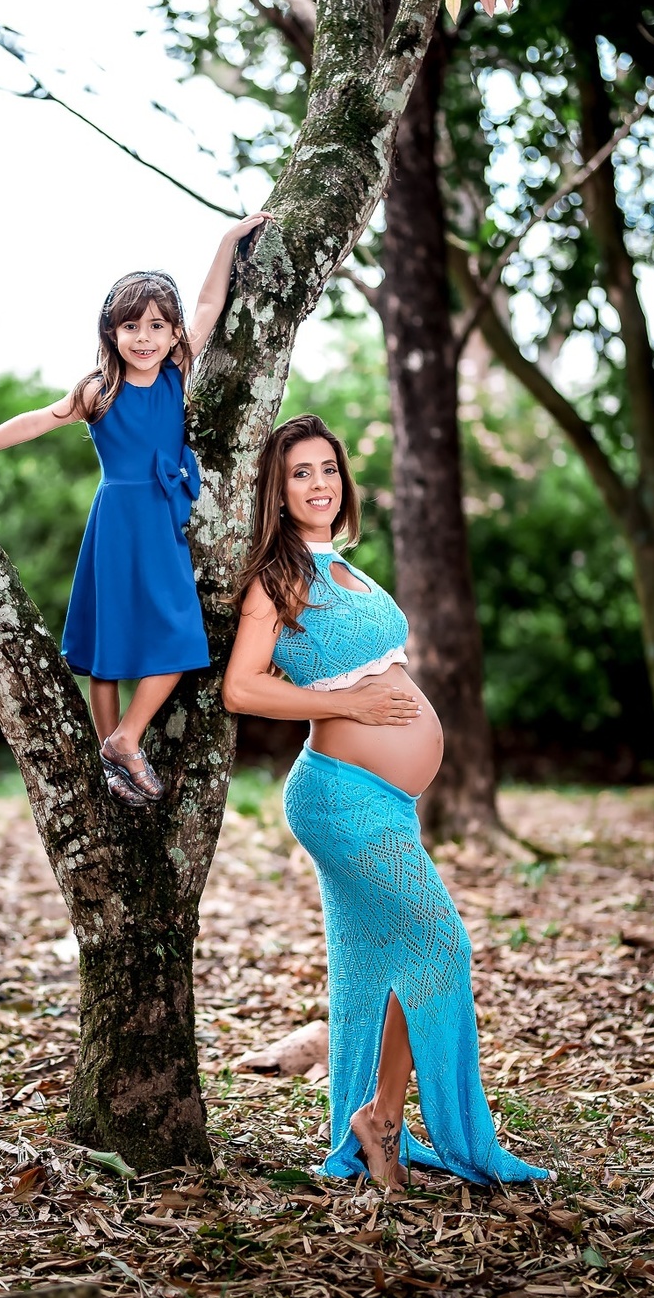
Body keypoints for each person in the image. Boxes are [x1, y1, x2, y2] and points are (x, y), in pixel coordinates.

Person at [223, 414, 548, 1190]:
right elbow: (241, 686)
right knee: (441, 947)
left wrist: (373, 704)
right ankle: (381, 1117)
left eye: (328, 469)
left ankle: (379, 1124)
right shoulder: (278, 576)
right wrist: (351, 709)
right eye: (300, 472)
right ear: (276, 489)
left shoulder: (346, 568)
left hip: (387, 804)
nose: (319, 484)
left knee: (386, 961)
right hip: (340, 798)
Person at [0, 216, 271, 806]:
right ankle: (107, 757)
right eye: (130, 326)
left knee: (183, 639)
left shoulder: (176, 371)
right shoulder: (98, 390)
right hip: (115, 522)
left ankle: (125, 738)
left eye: (156, 326)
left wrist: (226, 242)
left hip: (162, 522)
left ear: (172, 333)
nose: (144, 337)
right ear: (111, 333)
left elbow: (213, 300)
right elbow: (36, 421)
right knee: (106, 649)